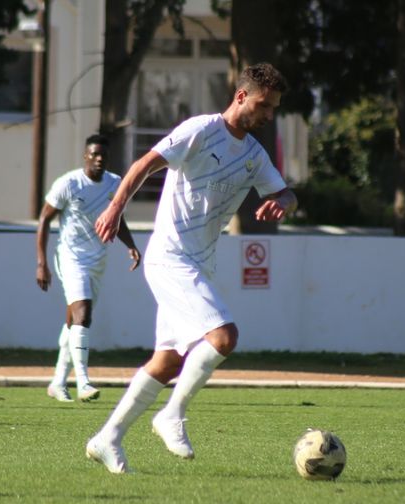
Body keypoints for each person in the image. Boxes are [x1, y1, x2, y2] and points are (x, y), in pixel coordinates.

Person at [85, 63, 297, 474]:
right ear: (241, 96)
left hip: (201, 263)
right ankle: (172, 414)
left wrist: (284, 202)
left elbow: (287, 192)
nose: (269, 114)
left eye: (274, 107)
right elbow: (144, 164)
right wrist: (115, 207)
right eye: (264, 105)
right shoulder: (200, 130)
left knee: (167, 362)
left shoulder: (254, 155)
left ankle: (107, 438)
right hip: (170, 257)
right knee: (224, 337)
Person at [36, 134, 141, 403]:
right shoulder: (69, 183)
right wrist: (42, 263)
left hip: (98, 260)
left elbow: (117, 218)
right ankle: (83, 382)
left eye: (103, 154)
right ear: (85, 156)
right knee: (83, 315)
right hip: (70, 258)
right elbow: (45, 219)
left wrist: (130, 244)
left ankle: (58, 382)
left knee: (74, 321)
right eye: (94, 154)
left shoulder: (114, 183)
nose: (99, 159)